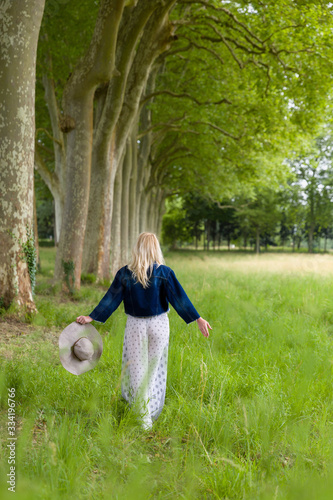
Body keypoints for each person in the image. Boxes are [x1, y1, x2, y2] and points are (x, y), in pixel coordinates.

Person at [76, 232, 212, 430]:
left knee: (138, 372)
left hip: (136, 326)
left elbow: (111, 299)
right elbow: (179, 298)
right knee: (152, 371)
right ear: (156, 248)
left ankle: (143, 420)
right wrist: (197, 318)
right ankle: (147, 416)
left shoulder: (125, 273)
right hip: (159, 326)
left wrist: (92, 316)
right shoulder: (165, 272)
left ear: (137, 248)